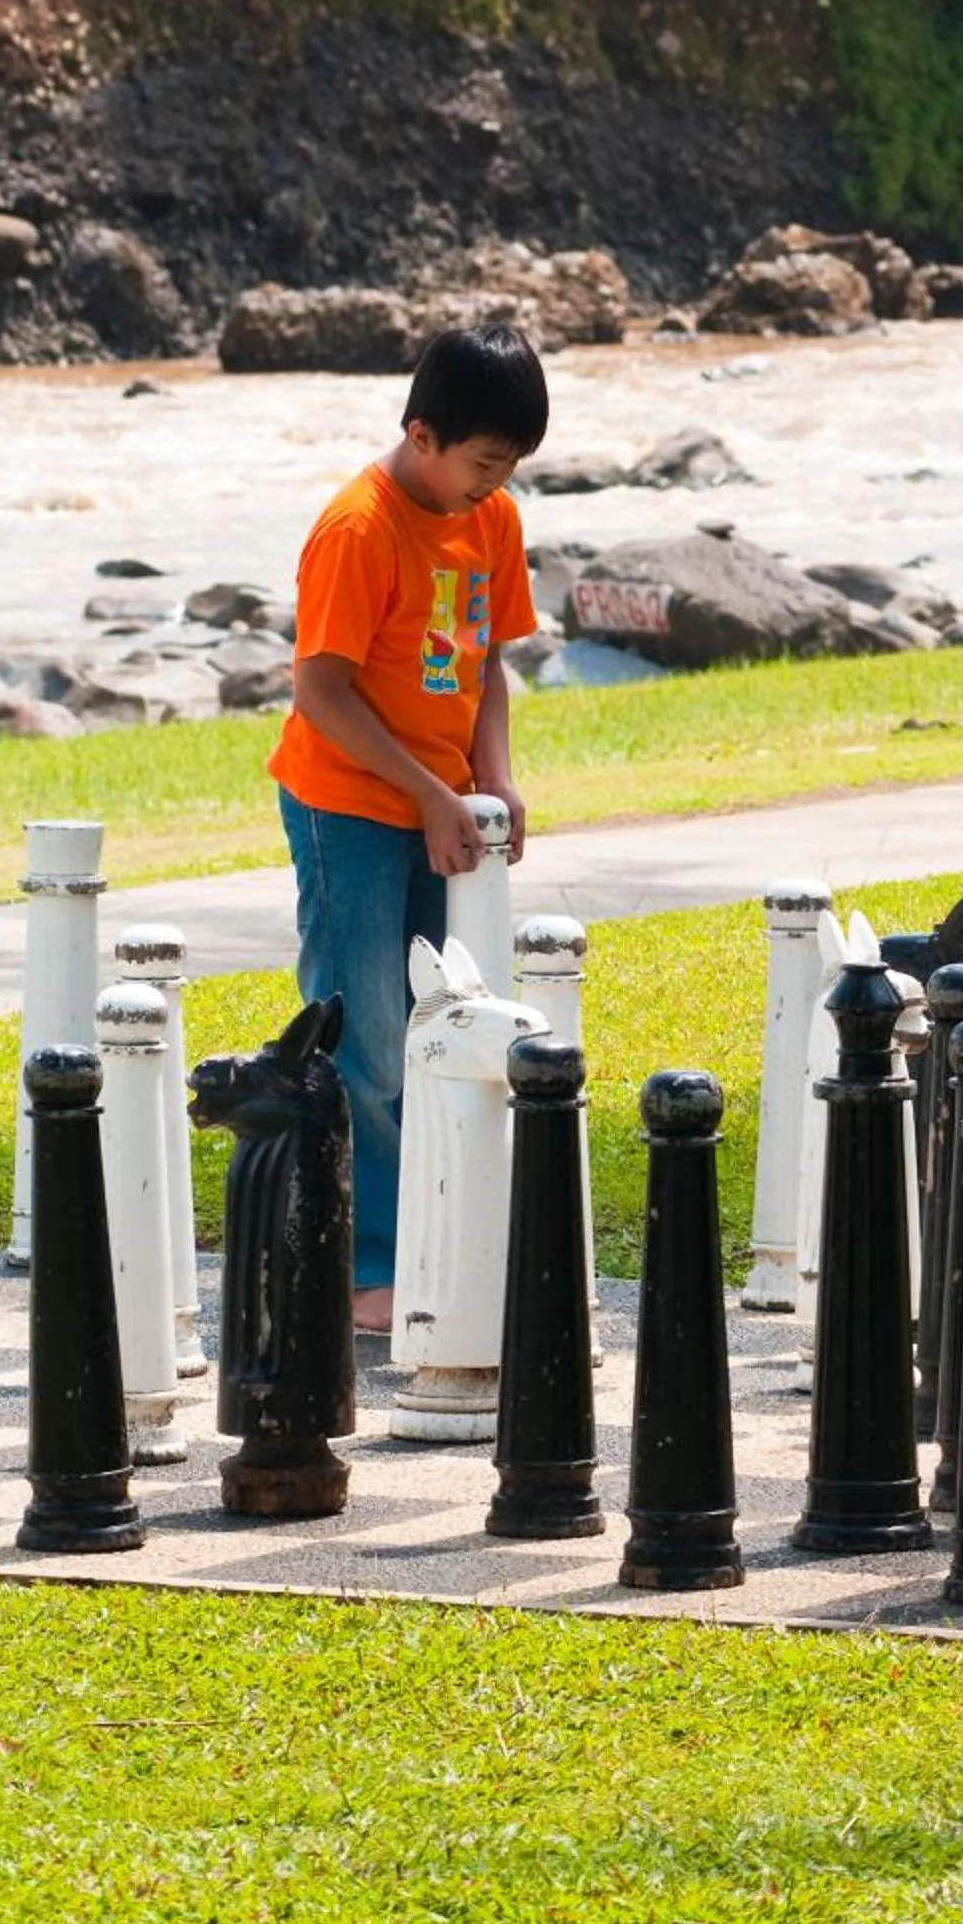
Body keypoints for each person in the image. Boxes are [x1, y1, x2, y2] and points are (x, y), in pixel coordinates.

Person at [268, 322, 548, 1332]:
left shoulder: (493, 519)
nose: (490, 487)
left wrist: (492, 777)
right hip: (347, 806)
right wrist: (429, 795)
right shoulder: (359, 529)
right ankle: (360, 1264)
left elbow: (484, 669)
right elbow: (321, 693)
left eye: (507, 469)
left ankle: (437, 1233)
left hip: (440, 808)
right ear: (421, 434)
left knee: (446, 1024)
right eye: (480, 464)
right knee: (366, 1039)